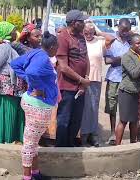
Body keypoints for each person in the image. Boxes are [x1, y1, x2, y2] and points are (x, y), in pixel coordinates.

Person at [11, 31, 59, 180]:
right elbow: (32, 72)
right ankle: (27, 177)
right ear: (52, 47)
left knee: (33, 142)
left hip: (34, 104)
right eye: (57, 47)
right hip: (38, 106)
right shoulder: (43, 58)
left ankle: (35, 173)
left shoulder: (36, 53)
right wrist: (39, 88)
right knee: (30, 144)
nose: (58, 49)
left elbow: (15, 64)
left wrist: (32, 83)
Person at [0, 21, 26, 144]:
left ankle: (3, 137)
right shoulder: (3, 47)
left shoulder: (9, 46)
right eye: (13, 31)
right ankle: (1, 138)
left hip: (8, 85)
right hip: (4, 84)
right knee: (6, 111)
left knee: (5, 111)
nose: (15, 33)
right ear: (7, 33)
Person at [55, 10, 91, 147]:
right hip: (67, 87)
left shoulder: (81, 36)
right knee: (64, 119)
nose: (84, 23)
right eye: (82, 21)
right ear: (74, 23)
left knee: (76, 119)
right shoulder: (62, 38)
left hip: (81, 86)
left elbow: (85, 58)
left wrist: (85, 79)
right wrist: (81, 80)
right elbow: (63, 67)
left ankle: (70, 146)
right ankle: (61, 149)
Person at [80, 22, 115, 147]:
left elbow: (112, 38)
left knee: (93, 108)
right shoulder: (80, 41)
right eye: (86, 33)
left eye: (90, 32)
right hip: (80, 79)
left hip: (94, 79)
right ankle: (83, 135)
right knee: (83, 109)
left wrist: (98, 32)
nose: (88, 35)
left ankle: (93, 134)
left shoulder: (99, 42)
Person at [104, 18, 131, 145]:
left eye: (127, 30)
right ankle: (112, 133)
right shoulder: (111, 41)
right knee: (112, 106)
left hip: (127, 79)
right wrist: (123, 59)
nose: (125, 32)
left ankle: (124, 132)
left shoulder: (131, 42)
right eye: (123, 30)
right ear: (118, 27)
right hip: (114, 78)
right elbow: (107, 61)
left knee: (125, 106)